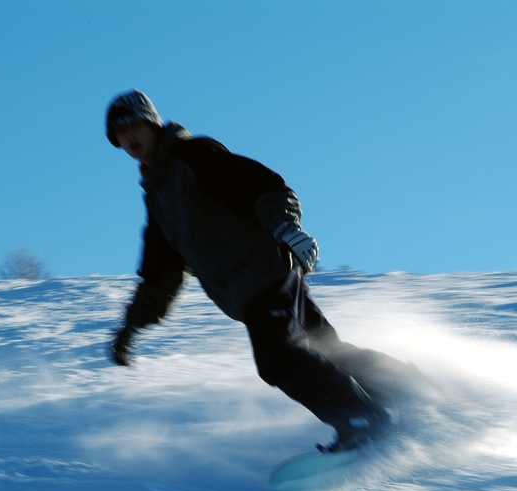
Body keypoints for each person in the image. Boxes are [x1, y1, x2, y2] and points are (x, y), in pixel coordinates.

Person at [105, 89, 395, 452]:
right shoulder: (159, 197)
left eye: (135, 125)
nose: (130, 137)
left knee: (279, 358)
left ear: (152, 123)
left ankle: (361, 420)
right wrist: (131, 326)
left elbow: (263, 187)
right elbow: (160, 276)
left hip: (263, 276)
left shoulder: (191, 157)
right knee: (324, 350)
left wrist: (286, 229)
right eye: (120, 133)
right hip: (256, 286)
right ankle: (409, 389)